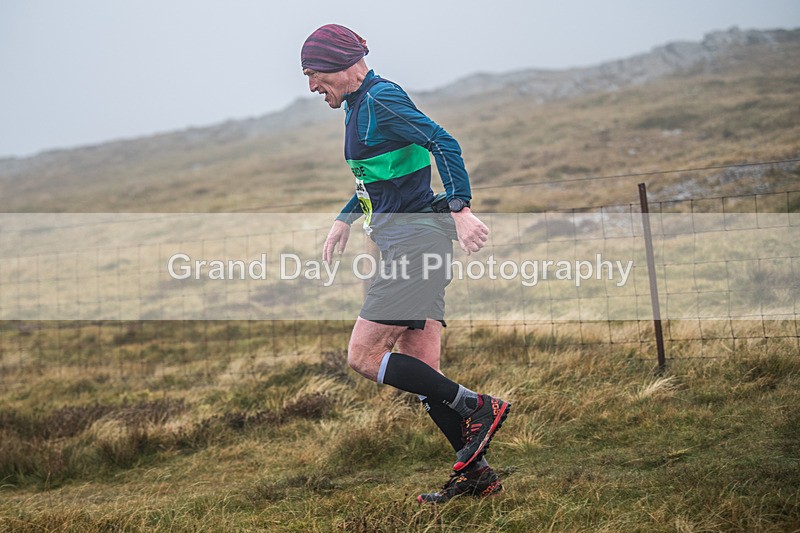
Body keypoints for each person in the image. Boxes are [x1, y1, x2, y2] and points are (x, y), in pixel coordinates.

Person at [301, 23, 511, 503]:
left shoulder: (380, 101)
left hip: (415, 244)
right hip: (414, 241)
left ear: (339, 64)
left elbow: (444, 143)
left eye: (314, 74)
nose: (312, 87)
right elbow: (379, 177)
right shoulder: (358, 104)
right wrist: (346, 218)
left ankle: (479, 406)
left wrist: (460, 207)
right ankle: (477, 478)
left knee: (363, 356)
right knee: (422, 370)